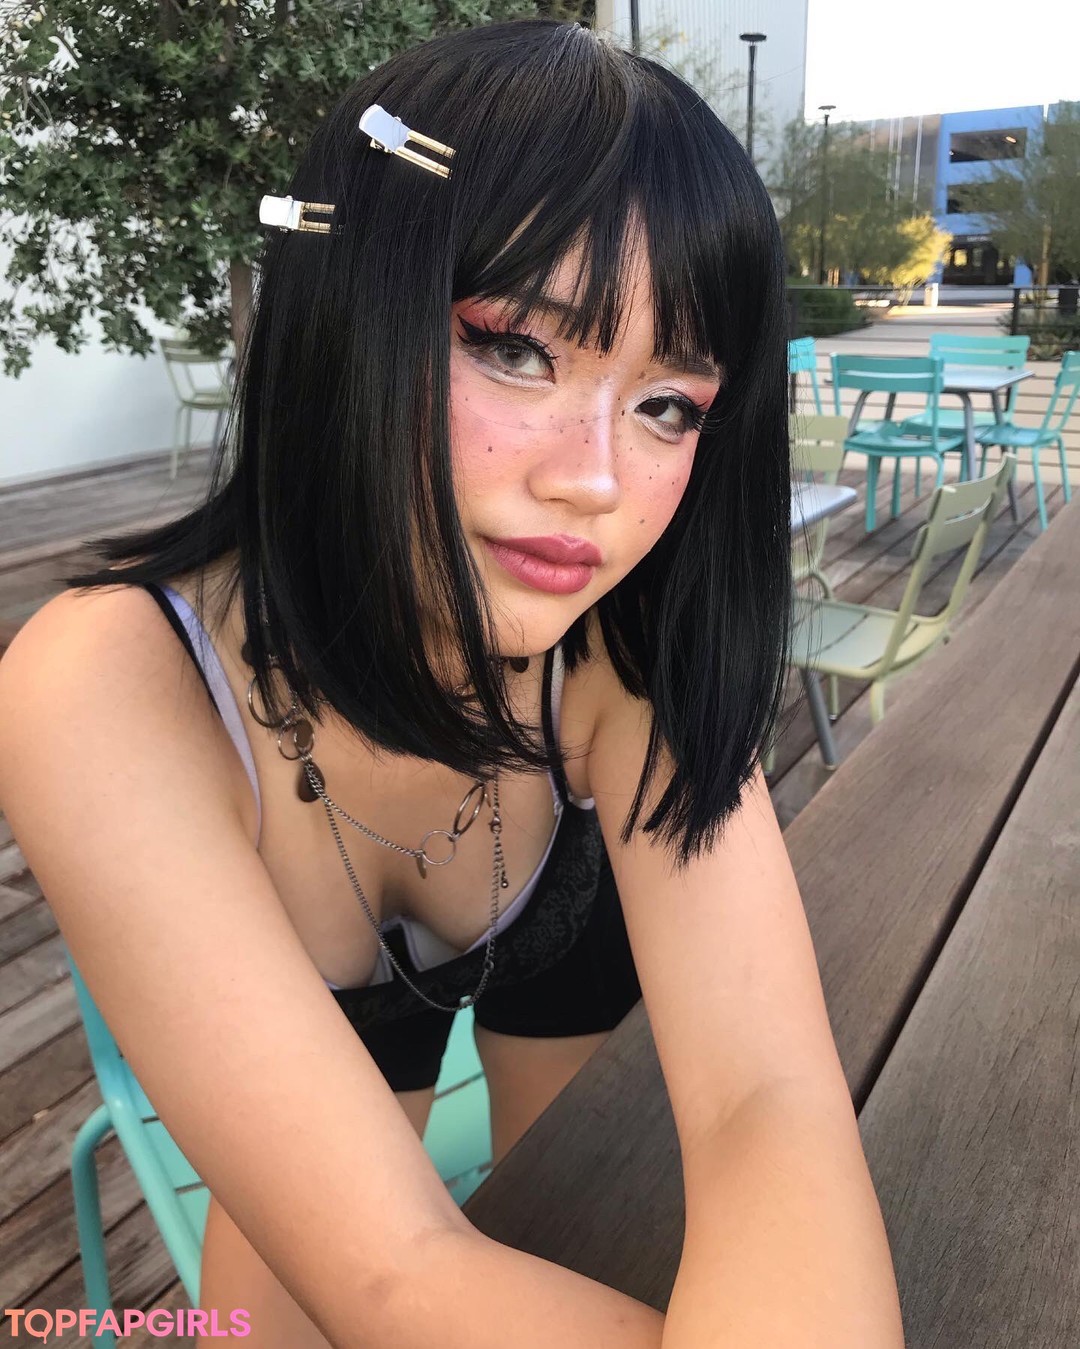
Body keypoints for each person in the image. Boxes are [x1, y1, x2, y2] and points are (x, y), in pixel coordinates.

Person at [0, 19, 904, 1349]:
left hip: (566, 1090)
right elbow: (385, 1270)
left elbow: (768, 1098)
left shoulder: (619, 648)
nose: (591, 478)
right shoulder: (107, 684)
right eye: (517, 348)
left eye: (668, 404)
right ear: (346, 317)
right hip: (316, 1195)